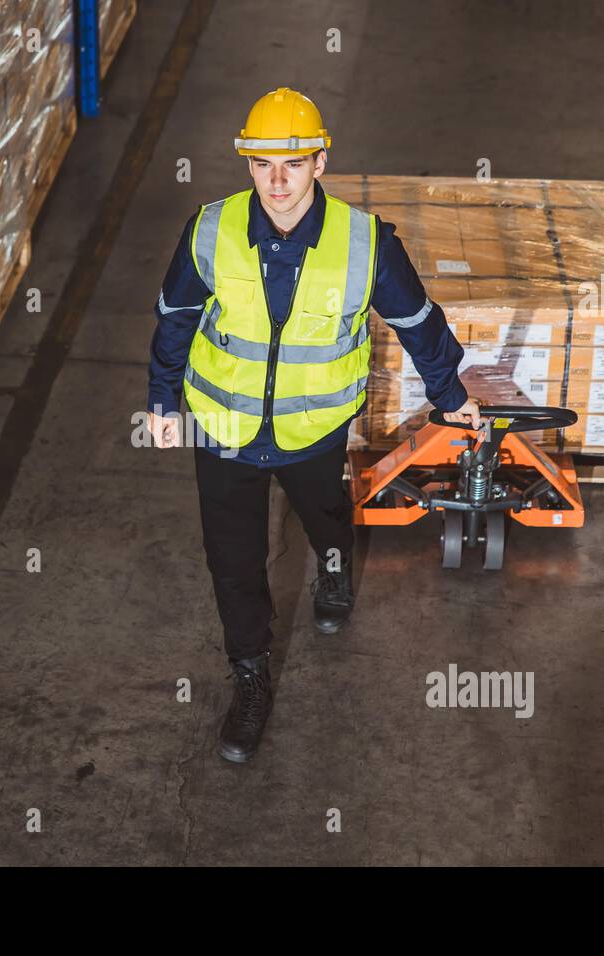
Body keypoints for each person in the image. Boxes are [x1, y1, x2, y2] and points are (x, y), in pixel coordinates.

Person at [145, 88, 479, 763]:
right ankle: (250, 677)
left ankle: (334, 572)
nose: (277, 181)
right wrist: (161, 402)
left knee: (328, 522)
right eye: (263, 164)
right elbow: (175, 317)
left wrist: (449, 397)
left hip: (313, 433)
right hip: (224, 431)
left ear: (320, 162)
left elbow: (418, 323)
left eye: (292, 164)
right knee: (232, 563)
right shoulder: (209, 229)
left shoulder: (365, 244)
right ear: (247, 164)